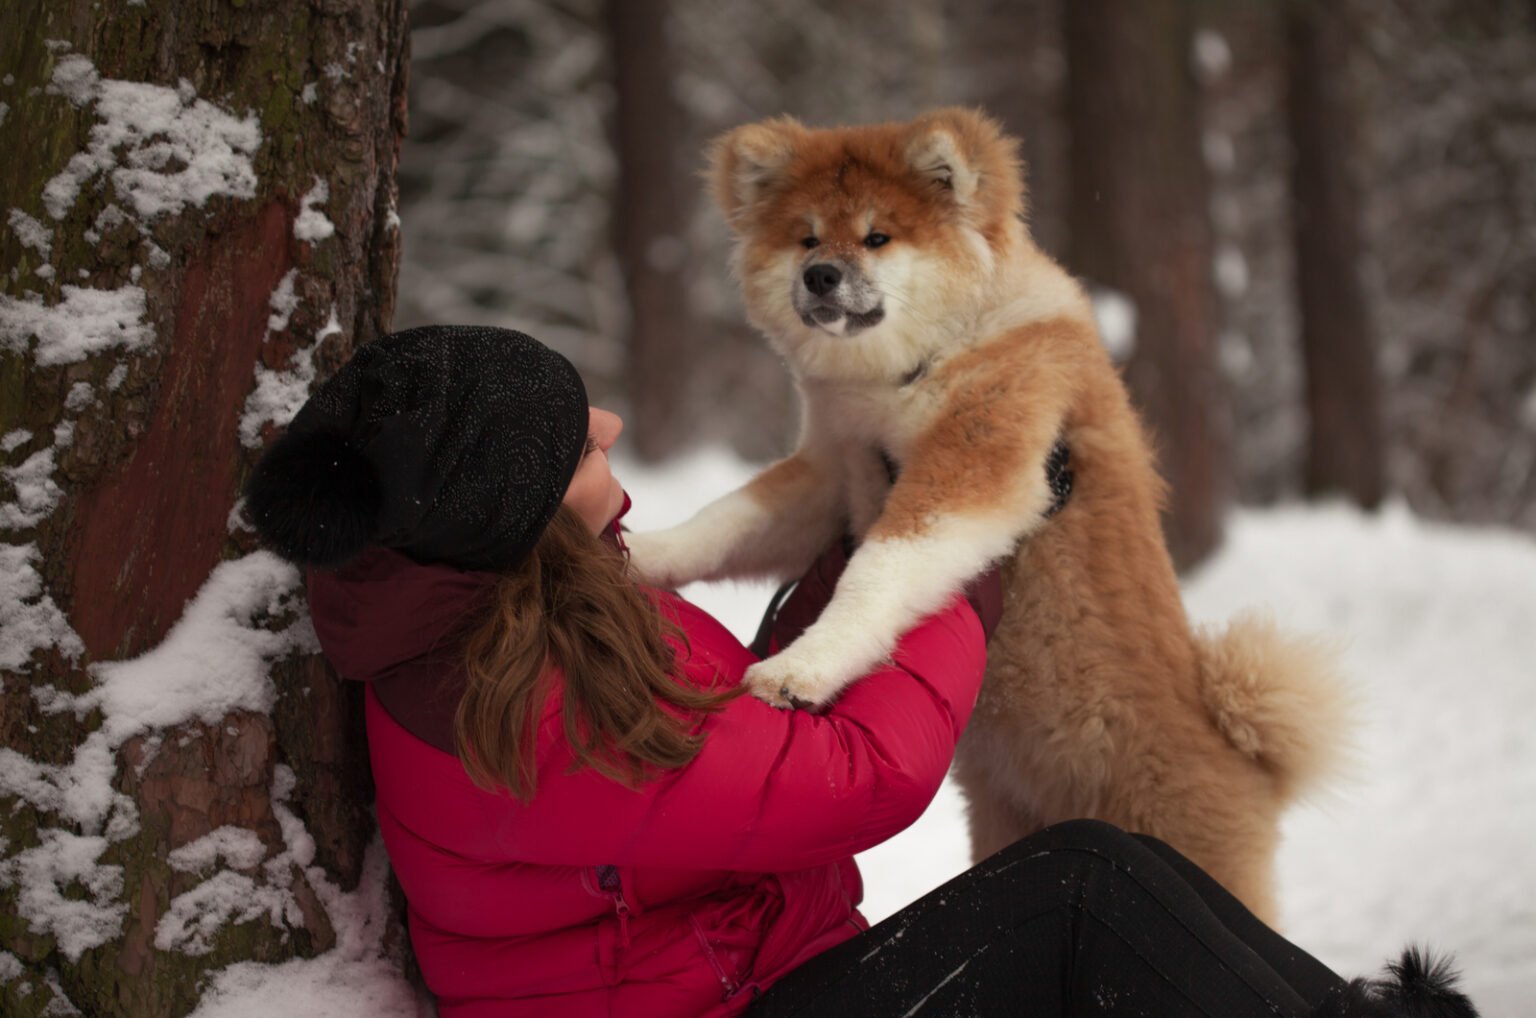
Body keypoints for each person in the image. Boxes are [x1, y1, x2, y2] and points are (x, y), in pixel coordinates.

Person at [245, 326, 1478, 1018]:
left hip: (757, 986)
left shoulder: (513, 621)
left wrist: (856, 566)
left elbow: (749, 726)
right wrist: (955, 555)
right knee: (1084, 889)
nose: (611, 431)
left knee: (1103, 905)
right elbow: (861, 776)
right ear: (510, 512)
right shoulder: (521, 708)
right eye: (573, 442)